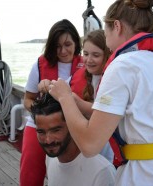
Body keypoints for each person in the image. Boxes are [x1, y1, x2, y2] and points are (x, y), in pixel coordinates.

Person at [48, 0, 153, 185]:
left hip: (147, 179)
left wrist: (65, 97)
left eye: (106, 35)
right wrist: (76, 102)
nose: (107, 45)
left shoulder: (123, 65)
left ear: (117, 27)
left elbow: (89, 145)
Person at [20, 19, 83, 186]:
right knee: (30, 173)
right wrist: (39, 111)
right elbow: (28, 99)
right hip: (39, 125)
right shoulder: (39, 66)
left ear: (76, 43)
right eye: (57, 46)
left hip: (72, 126)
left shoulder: (88, 65)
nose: (62, 51)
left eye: (67, 44)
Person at [30, 93, 116, 186]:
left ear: (71, 126)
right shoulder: (51, 158)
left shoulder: (102, 172)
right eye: (41, 132)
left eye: (56, 130)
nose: (48, 140)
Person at [69, 29, 114, 163]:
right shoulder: (84, 75)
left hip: (108, 148)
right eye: (86, 54)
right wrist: (47, 84)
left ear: (107, 55)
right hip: (91, 144)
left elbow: (105, 109)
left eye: (96, 55)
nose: (88, 60)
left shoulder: (113, 80)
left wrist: (75, 102)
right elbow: (62, 87)